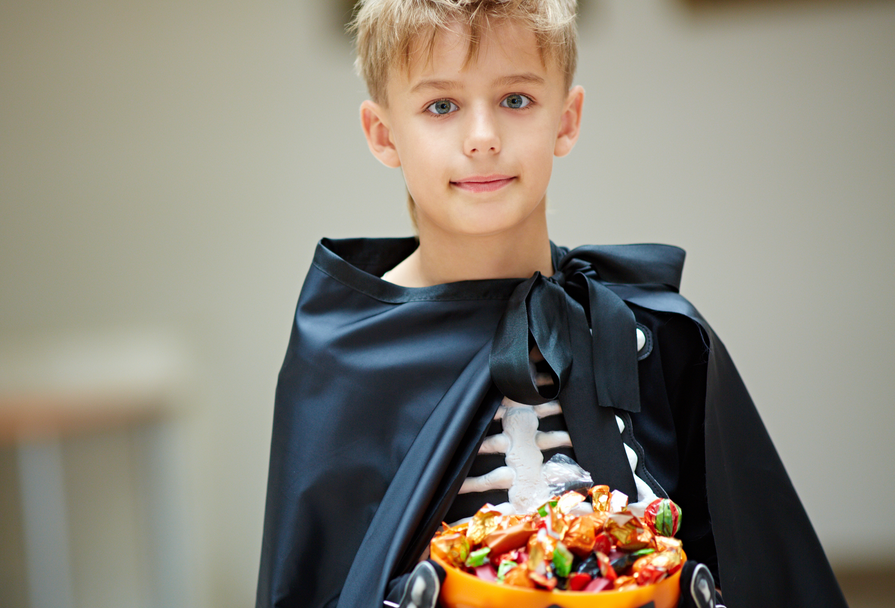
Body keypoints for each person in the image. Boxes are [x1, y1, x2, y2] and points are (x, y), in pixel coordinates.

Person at [256, 2, 847, 607]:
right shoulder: (345, 357)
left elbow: (754, 566)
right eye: (442, 105)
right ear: (384, 135)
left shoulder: (649, 332)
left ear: (566, 120)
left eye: (515, 100)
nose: (482, 137)